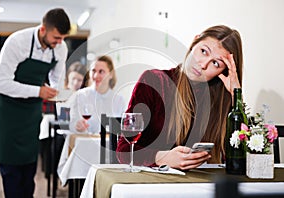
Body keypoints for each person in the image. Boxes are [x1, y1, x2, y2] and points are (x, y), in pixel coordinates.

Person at [116, 25, 243, 170]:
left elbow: (239, 155)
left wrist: (236, 94)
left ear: (224, 72)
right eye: (203, 51)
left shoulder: (219, 100)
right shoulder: (154, 81)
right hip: (152, 184)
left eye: (215, 63)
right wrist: (162, 158)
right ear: (194, 42)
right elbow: (123, 151)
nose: (203, 65)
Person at [0, 8, 71, 197]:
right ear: (43, 29)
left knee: (29, 167)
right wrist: (39, 91)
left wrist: (64, 114)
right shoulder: (17, 42)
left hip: (31, 110)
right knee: (11, 168)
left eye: (62, 38)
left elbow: (57, 83)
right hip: (9, 109)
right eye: (56, 37)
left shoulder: (60, 48)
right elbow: (1, 84)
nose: (59, 42)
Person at [69, 55, 126, 134]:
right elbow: (72, 125)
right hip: (85, 143)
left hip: (109, 145)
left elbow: (123, 128)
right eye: (93, 71)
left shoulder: (119, 100)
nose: (96, 76)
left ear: (111, 74)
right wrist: (77, 127)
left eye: (101, 71)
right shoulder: (80, 96)